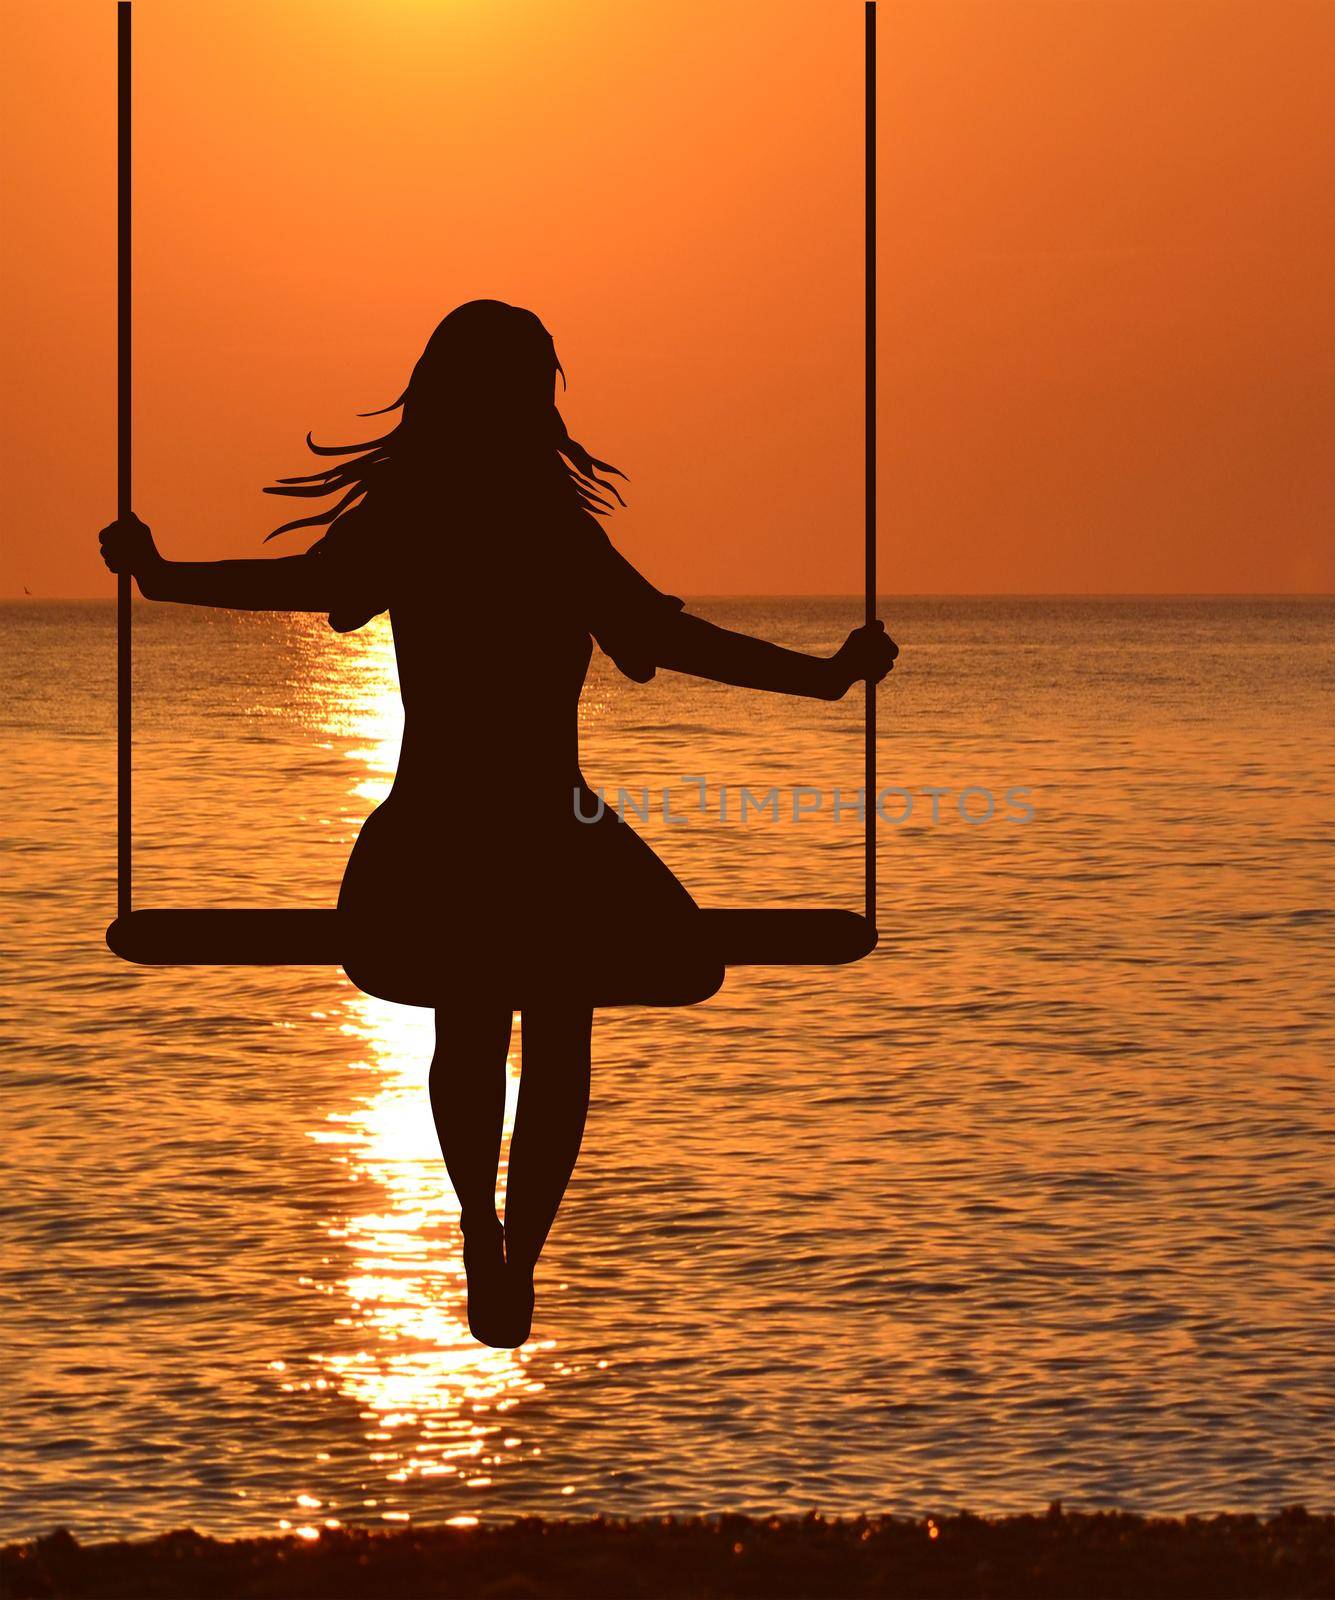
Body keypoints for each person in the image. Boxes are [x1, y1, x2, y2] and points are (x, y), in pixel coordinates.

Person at [99, 299, 897, 1348]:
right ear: (535, 403)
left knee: (467, 1018)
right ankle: (520, 1246)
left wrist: (161, 578)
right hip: (552, 828)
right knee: (560, 1024)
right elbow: (667, 640)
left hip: (434, 828)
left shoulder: (414, 515)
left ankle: (477, 1221)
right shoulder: (549, 528)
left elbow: (309, 586)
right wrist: (826, 681)